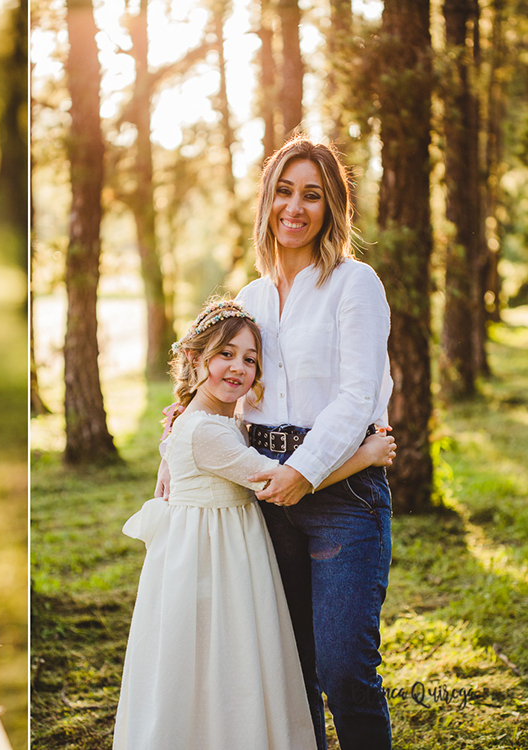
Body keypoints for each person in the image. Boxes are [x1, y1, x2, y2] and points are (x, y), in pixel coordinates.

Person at [113, 299, 395, 749]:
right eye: (225, 354)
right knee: (215, 658)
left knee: (225, 660)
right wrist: (365, 457)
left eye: (250, 359)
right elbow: (280, 484)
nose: (238, 368)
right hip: (211, 561)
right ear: (194, 357)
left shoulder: (214, 420)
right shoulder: (205, 431)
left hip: (223, 550)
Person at [237, 135, 394, 749]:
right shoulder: (248, 298)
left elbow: (358, 397)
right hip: (264, 494)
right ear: (267, 201)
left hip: (342, 496)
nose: (294, 208)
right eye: (283, 192)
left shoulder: (354, 284)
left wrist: (302, 472)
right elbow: (234, 390)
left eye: (312, 195)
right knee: (289, 672)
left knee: (344, 670)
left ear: (332, 208)